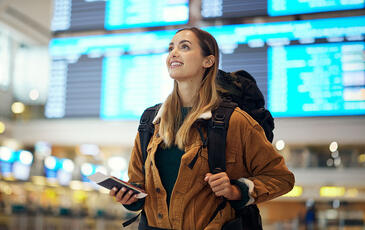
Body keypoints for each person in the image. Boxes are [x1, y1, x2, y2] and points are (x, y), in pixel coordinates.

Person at [109, 27, 295, 230]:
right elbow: (138, 184)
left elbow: (281, 178)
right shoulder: (151, 122)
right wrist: (130, 197)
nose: (173, 53)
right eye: (171, 48)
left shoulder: (234, 121)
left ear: (208, 61)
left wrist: (236, 191)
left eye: (185, 47)